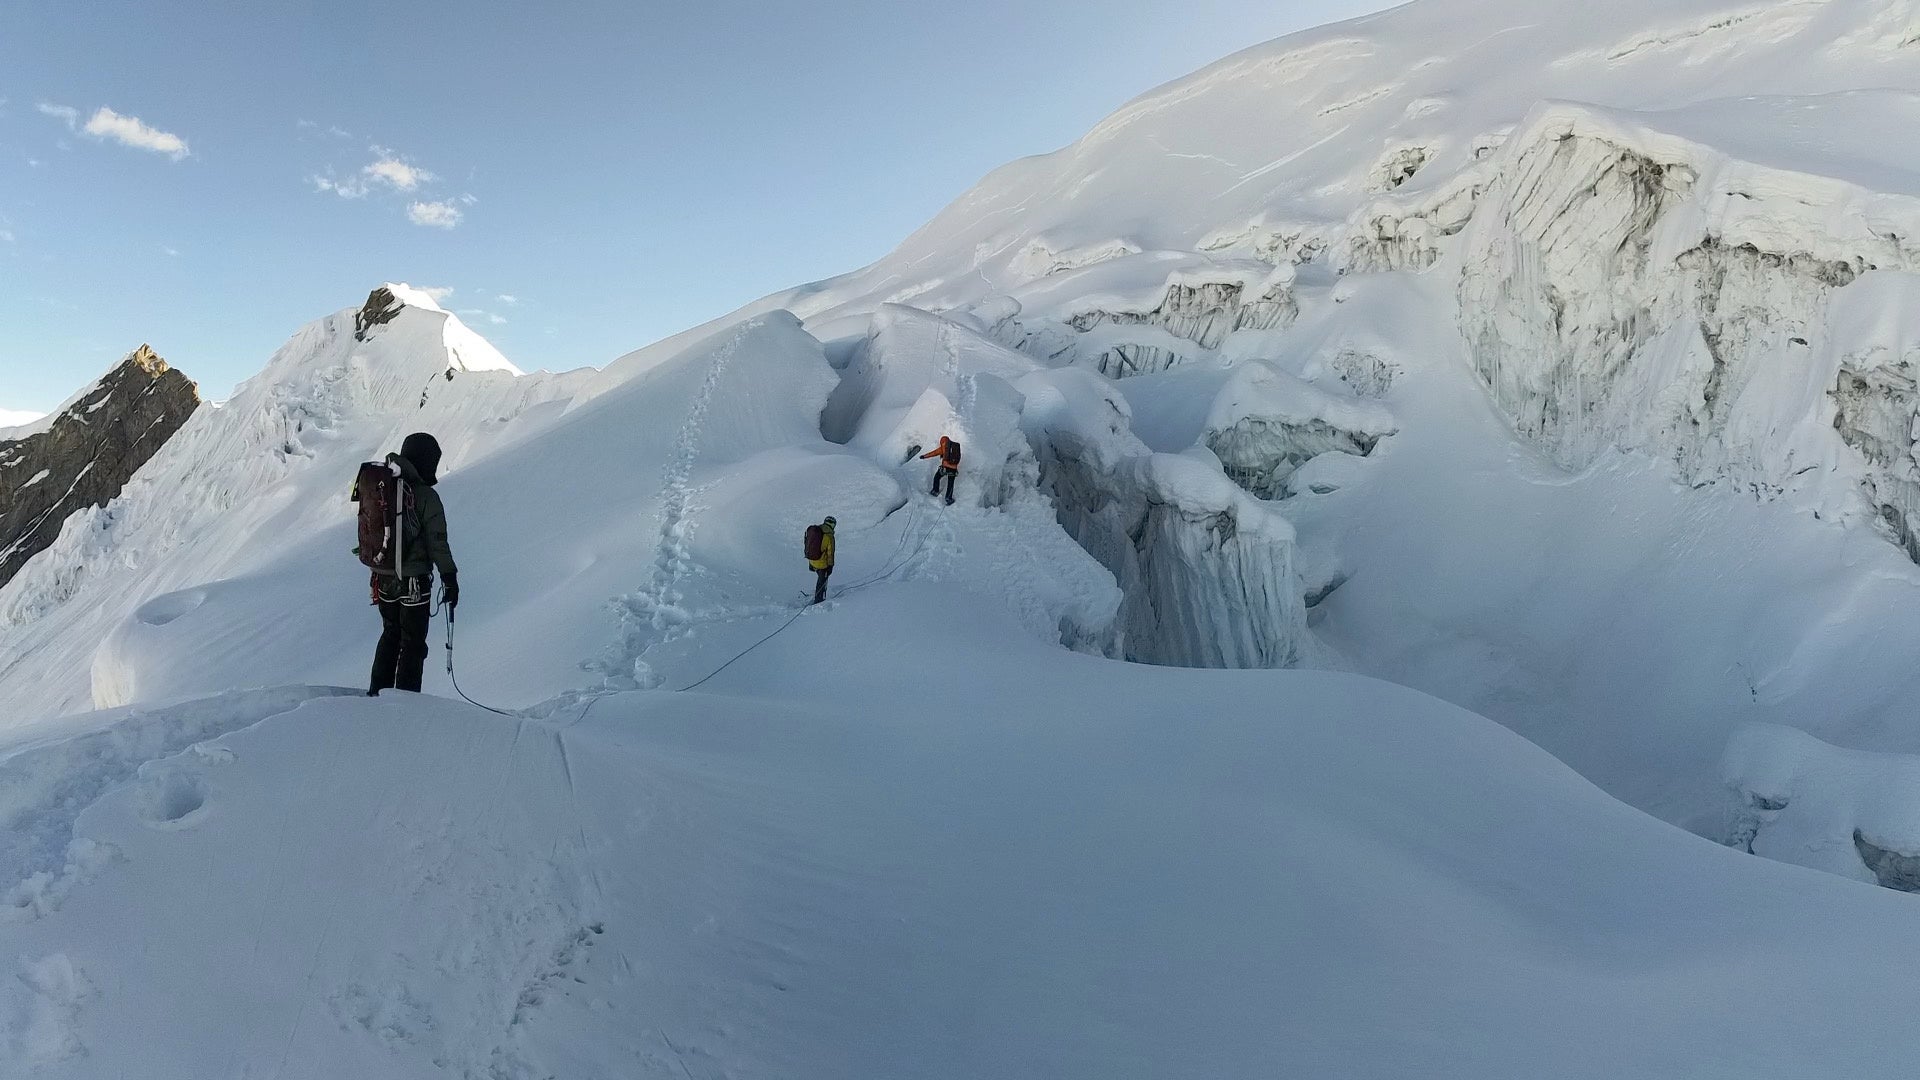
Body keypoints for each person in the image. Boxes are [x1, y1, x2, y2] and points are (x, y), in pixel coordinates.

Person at [365, 432, 458, 694]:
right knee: (413, 644)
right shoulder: (426, 496)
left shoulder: (384, 486)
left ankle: (376, 694)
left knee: (390, 634)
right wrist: (449, 578)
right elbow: (437, 543)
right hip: (414, 582)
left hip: (383, 577)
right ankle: (405, 707)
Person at [920, 435, 961, 505]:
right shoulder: (956, 447)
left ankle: (935, 491)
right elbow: (958, 458)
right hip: (953, 469)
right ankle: (948, 498)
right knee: (950, 483)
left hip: (945, 467)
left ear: (942, 441)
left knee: (937, 477)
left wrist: (924, 456)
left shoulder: (943, 447)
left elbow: (934, 453)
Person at [808, 516, 836, 604]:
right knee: (822, 581)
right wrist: (830, 566)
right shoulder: (829, 536)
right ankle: (819, 600)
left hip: (812, 560)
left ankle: (818, 594)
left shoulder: (816, 531)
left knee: (820, 579)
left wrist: (810, 562)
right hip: (822, 564)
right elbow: (830, 553)